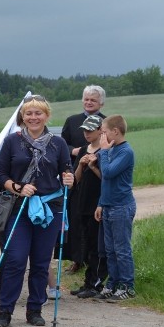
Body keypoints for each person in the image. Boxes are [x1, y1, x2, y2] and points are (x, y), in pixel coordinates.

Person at [0, 95, 74, 327]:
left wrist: (69, 179)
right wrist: (17, 187)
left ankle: (35, 309)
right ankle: (5, 310)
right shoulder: (11, 142)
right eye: (28, 113)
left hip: (49, 208)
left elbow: (66, 173)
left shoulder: (58, 144)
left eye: (38, 113)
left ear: (46, 116)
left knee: (40, 262)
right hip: (19, 207)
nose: (33, 117)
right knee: (15, 260)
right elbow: (0, 175)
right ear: (22, 117)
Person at [61, 85, 106, 272]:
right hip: (75, 174)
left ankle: (93, 261)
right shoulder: (72, 121)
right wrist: (74, 152)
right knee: (76, 218)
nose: (89, 102)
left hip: (96, 181)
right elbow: (62, 142)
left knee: (93, 222)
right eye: (86, 99)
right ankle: (77, 259)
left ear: (101, 103)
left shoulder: (106, 123)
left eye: (93, 100)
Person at [94, 115, 137, 302]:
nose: (101, 136)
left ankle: (128, 286)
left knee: (122, 249)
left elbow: (109, 173)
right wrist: (101, 203)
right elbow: (105, 181)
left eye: (104, 132)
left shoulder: (126, 152)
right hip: (109, 205)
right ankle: (113, 283)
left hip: (121, 206)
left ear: (115, 131)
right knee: (109, 250)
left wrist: (103, 152)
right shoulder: (111, 149)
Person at [70, 115, 108, 299]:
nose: (86, 134)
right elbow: (75, 180)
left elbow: (107, 179)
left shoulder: (105, 151)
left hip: (97, 203)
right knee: (85, 243)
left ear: (101, 130)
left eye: (90, 130)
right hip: (82, 203)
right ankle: (88, 281)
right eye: (85, 130)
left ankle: (96, 282)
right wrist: (82, 165)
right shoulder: (84, 150)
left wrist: (93, 166)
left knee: (96, 244)